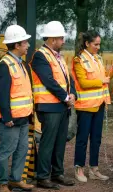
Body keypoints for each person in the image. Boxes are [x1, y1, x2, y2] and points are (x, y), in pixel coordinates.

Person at [30, 21, 76, 190]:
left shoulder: (58, 56)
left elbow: (68, 79)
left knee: (60, 142)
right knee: (48, 142)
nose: (63, 41)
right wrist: (65, 97)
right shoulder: (40, 56)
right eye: (61, 38)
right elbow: (48, 81)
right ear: (52, 39)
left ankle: (57, 173)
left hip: (62, 106)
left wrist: (72, 94)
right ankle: (42, 177)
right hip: (49, 106)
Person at [72, 30, 113, 182]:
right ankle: (79, 169)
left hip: (99, 104)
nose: (98, 47)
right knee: (83, 138)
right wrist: (103, 81)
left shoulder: (98, 58)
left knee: (96, 138)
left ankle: (94, 169)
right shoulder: (78, 60)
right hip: (85, 106)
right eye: (96, 44)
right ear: (87, 44)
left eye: (99, 44)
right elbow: (84, 83)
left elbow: (106, 77)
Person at [0, 25, 35, 192]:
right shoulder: (5, 65)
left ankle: (16, 179)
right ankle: (3, 183)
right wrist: (7, 117)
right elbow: (2, 94)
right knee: (6, 151)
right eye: (25, 42)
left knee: (22, 150)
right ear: (17, 45)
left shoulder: (22, 64)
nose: (28, 45)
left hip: (24, 116)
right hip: (10, 119)